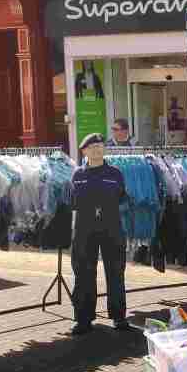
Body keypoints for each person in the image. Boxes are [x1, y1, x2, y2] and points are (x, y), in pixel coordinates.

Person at [70, 133, 130, 335]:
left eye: (100, 146)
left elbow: (122, 197)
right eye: (92, 147)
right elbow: (72, 202)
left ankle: (119, 316)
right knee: (84, 274)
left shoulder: (115, 173)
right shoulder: (77, 175)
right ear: (84, 151)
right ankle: (83, 319)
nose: (97, 150)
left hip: (111, 227)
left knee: (115, 272)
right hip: (84, 229)